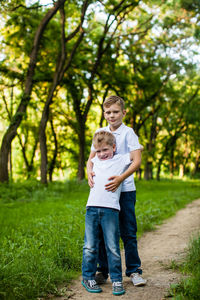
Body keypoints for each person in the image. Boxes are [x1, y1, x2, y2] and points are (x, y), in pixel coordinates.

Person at [87, 95, 147, 287]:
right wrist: (89, 173)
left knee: (128, 231)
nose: (111, 115)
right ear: (104, 113)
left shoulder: (129, 133)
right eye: (108, 112)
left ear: (123, 112)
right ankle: (102, 271)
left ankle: (134, 271)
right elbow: (91, 159)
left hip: (125, 190)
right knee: (103, 233)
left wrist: (121, 178)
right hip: (104, 192)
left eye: (115, 111)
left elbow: (136, 161)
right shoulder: (100, 132)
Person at [82, 130, 135, 296]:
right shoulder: (95, 161)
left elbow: (136, 158)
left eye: (105, 150)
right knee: (90, 246)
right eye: (98, 151)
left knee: (112, 247)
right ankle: (87, 277)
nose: (101, 154)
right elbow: (89, 161)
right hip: (91, 209)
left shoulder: (120, 160)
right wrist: (89, 168)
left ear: (113, 147)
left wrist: (132, 140)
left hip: (111, 210)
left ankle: (117, 280)